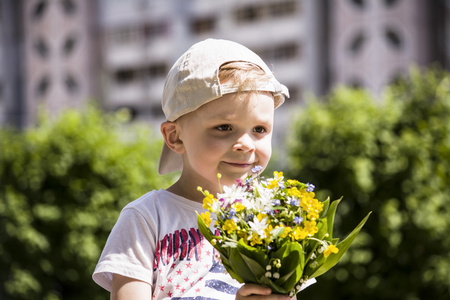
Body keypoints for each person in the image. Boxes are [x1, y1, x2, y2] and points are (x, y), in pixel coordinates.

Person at [92, 38, 314, 299]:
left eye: (260, 129)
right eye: (224, 128)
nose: (245, 144)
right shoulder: (146, 219)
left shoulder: (276, 217)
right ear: (175, 136)